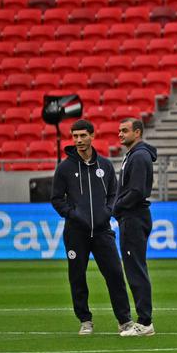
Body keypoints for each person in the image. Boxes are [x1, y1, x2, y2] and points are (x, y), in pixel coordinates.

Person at [50, 119, 134, 336]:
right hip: (75, 232)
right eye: (75, 136)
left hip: (102, 231)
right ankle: (85, 320)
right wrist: (73, 214)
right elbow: (57, 199)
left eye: (83, 135)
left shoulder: (105, 165)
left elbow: (114, 194)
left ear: (92, 136)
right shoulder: (64, 168)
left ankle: (124, 320)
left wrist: (107, 211)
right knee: (77, 276)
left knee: (115, 274)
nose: (79, 140)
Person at [113, 118, 157, 337]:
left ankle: (145, 322)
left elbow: (137, 191)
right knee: (135, 268)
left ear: (137, 132)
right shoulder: (134, 155)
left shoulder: (139, 156)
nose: (120, 134)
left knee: (135, 270)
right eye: (119, 130)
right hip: (132, 216)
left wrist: (116, 207)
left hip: (133, 217)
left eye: (124, 130)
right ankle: (144, 320)